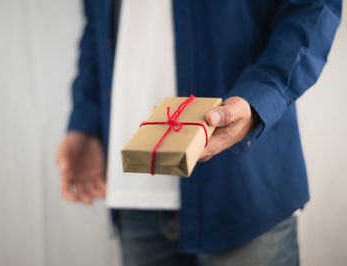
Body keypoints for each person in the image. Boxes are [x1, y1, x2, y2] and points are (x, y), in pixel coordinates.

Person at [56, 0, 341, 265]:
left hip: (245, 188)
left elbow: (312, 7)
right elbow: (96, 27)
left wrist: (260, 98)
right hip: (136, 190)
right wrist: (86, 124)